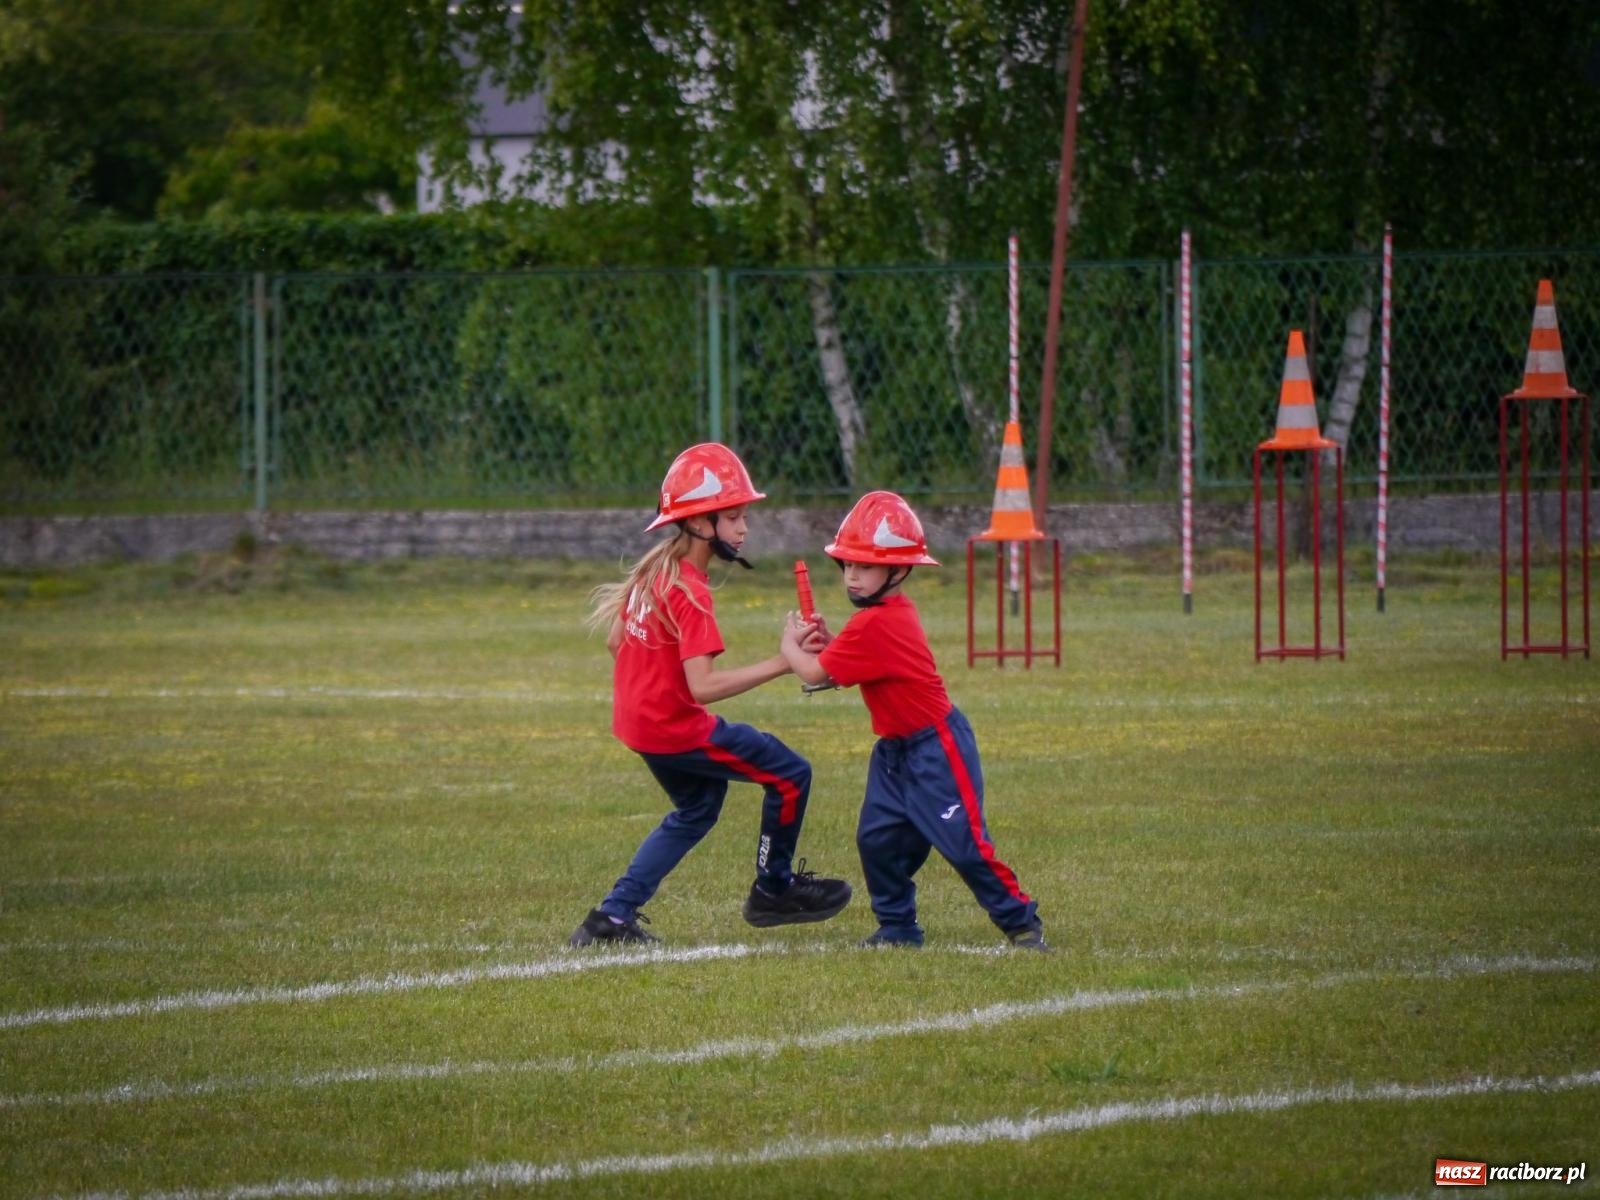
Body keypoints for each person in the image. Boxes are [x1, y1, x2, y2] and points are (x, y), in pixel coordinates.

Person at [568, 442, 852, 947]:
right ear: (700, 522)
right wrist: (786, 662)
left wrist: (649, 695)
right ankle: (773, 890)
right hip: (672, 728)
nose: (744, 528)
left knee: (697, 809)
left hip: (640, 725)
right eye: (735, 516)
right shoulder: (690, 590)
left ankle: (610, 919)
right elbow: (703, 688)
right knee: (790, 774)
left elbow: (617, 642)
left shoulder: (654, 570)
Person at [779, 490, 1049, 951]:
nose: (852, 576)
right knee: (877, 841)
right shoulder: (878, 620)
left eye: (864, 566)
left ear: (899, 570)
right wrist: (829, 645)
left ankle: (1021, 922)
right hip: (894, 753)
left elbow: (813, 673)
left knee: (964, 845)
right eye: (847, 565)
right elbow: (846, 663)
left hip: (935, 751)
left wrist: (791, 647)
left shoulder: (876, 624)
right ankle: (898, 927)